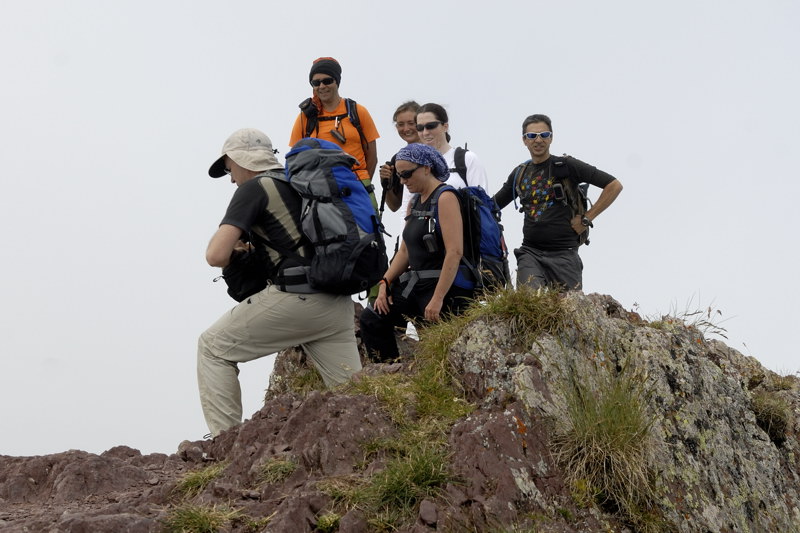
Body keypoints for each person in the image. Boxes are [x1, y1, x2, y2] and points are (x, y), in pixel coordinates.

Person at [198, 128, 362, 437]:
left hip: (298, 298)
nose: (231, 178)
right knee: (354, 398)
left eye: (229, 168)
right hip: (337, 303)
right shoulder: (300, 182)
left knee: (212, 347)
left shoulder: (254, 188)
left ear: (240, 160)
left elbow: (215, 255)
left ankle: (224, 445)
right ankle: (376, 452)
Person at [359, 144, 474, 362]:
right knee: (372, 318)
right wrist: (385, 282)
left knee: (438, 351)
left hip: (442, 289)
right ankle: (390, 374)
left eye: (406, 174)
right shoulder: (415, 200)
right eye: (400, 175)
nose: (402, 181)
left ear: (426, 168)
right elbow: (405, 250)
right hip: (415, 285)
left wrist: (438, 299)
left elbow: (454, 252)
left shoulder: (445, 197)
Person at [492, 114, 623, 290]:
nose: (538, 140)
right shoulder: (519, 174)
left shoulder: (567, 165)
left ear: (551, 137)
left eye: (544, 135)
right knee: (530, 306)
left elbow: (614, 185)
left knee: (568, 312)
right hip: (530, 253)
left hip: (565, 254)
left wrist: (586, 219)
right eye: (532, 136)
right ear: (524, 140)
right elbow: (493, 205)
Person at [289, 57, 380, 208]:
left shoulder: (358, 111)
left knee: (368, 230)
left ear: (337, 81)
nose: (322, 86)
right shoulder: (306, 117)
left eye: (327, 80)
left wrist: (363, 185)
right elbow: (294, 158)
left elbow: (372, 157)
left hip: (357, 183)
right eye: (316, 83)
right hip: (321, 188)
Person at [397, 102, 490, 214]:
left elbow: (483, 205)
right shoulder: (413, 163)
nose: (425, 132)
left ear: (445, 126)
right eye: (420, 128)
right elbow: (406, 206)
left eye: (431, 126)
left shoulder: (467, 159)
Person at [378, 100, 420, 214]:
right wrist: (386, 183)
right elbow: (394, 206)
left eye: (411, 123)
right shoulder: (398, 159)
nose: (406, 129)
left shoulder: (438, 153)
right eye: (400, 124)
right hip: (410, 226)